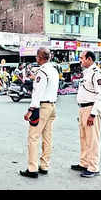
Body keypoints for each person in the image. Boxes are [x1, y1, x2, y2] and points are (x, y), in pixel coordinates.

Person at [20, 48, 59, 178]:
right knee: (47, 137)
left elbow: (37, 93)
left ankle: (32, 168)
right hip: (52, 106)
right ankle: (44, 165)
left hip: (42, 107)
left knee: (33, 137)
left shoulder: (41, 72)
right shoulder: (53, 70)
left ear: (39, 57)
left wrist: (31, 110)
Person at [72, 51, 101, 178]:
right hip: (83, 109)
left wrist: (93, 114)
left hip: (91, 109)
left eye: (82, 58)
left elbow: (100, 96)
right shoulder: (87, 73)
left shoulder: (97, 74)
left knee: (92, 140)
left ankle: (93, 167)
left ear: (89, 59)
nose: (80, 60)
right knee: (84, 138)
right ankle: (84, 163)